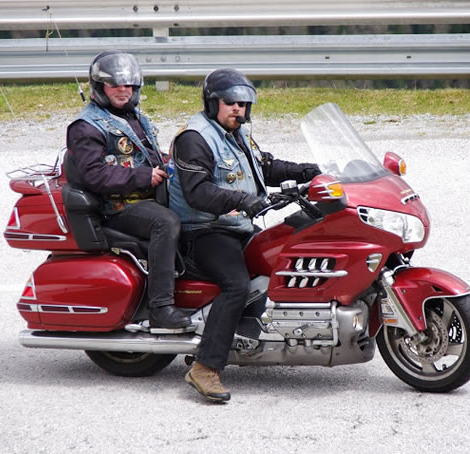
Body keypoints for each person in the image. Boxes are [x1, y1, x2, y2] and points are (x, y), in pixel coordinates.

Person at [169, 68, 320, 402]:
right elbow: (197, 192)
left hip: (236, 226)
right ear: (213, 103)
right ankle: (205, 367)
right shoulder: (194, 138)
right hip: (204, 230)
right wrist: (243, 201)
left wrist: (312, 171)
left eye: (242, 103)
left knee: (284, 254)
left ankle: (259, 334)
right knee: (236, 284)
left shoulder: (236, 133)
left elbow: (265, 167)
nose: (237, 108)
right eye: (230, 102)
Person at [65, 51, 192, 330]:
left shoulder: (133, 117)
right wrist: (144, 176)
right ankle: (161, 307)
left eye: (129, 85)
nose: (123, 90)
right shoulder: (86, 127)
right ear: (100, 87)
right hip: (117, 207)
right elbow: (93, 174)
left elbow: (147, 155)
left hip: (148, 197)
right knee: (165, 222)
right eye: (115, 85)